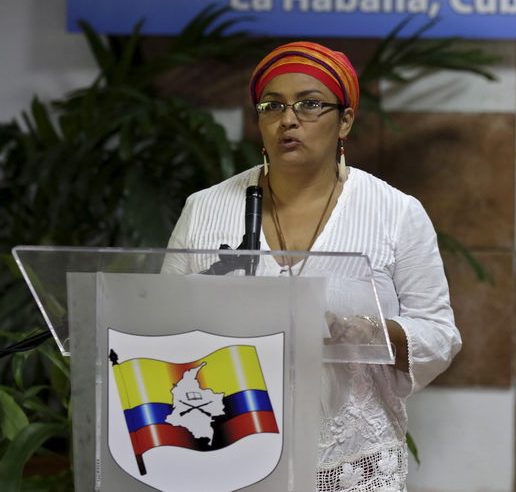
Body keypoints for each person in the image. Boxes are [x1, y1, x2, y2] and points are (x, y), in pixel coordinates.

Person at [165, 41, 461, 491]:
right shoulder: (204, 210)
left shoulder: (395, 212)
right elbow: (163, 327)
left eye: (310, 104)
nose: (288, 119)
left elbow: (439, 334)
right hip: (226, 451)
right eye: (272, 106)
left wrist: (364, 332)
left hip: (350, 463)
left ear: (345, 120)